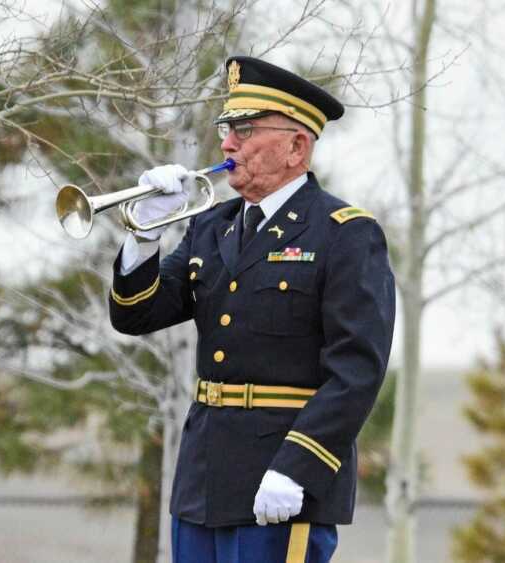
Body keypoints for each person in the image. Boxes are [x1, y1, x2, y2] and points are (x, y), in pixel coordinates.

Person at [109, 56, 396, 563]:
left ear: (296, 146)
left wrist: (298, 467)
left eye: (245, 129)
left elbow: (356, 370)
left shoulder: (344, 233)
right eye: (227, 128)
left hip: (281, 481)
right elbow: (136, 316)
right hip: (202, 479)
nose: (227, 144)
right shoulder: (211, 225)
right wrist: (145, 233)